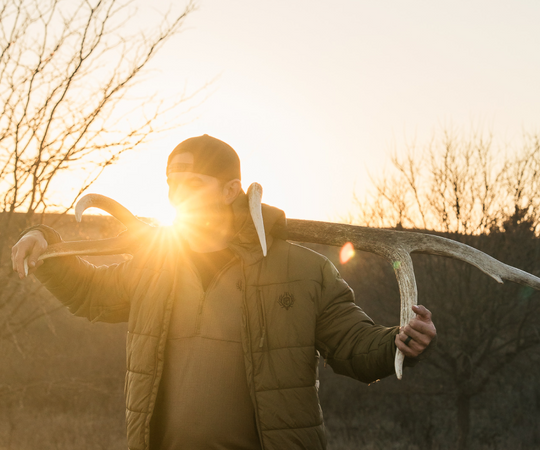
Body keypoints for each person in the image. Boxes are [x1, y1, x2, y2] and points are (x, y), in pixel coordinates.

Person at [11, 134, 437, 450]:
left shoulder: (302, 269)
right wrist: (45, 243)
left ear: (232, 189)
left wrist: (399, 343)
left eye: (193, 183)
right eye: (172, 184)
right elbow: (89, 293)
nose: (178, 194)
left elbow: (351, 345)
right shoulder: (154, 263)